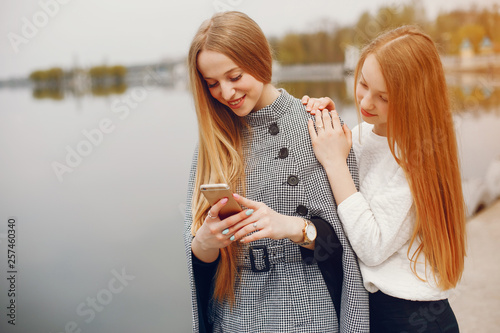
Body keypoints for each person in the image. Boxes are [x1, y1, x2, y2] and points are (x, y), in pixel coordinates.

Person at [183, 11, 369, 333]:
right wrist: (205, 242)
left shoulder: (318, 125)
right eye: (212, 84)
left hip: (308, 313)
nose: (226, 93)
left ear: (260, 60)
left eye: (235, 76)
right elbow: (198, 255)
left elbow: (355, 241)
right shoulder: (211, 146)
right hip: (235, 316)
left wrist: (294, 227)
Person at [303, 25, 466, 332]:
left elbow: (372, 246)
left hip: (409, 315)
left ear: (415, 99)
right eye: (363, 84)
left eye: (384, 98)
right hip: (374, 307)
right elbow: (349, 191)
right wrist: (330, 124)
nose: (365, 103)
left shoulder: (416, 156)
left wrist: (336, 161)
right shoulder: (367, 133)